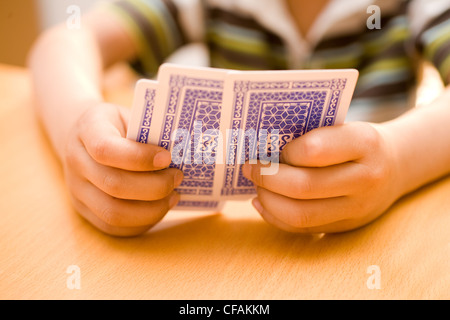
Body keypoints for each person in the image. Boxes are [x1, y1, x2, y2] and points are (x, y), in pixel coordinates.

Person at [28, 0, 450, 237]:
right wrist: (79, 130)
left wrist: (397, 161)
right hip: (232, 244)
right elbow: (62, 43)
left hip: (371, 243)